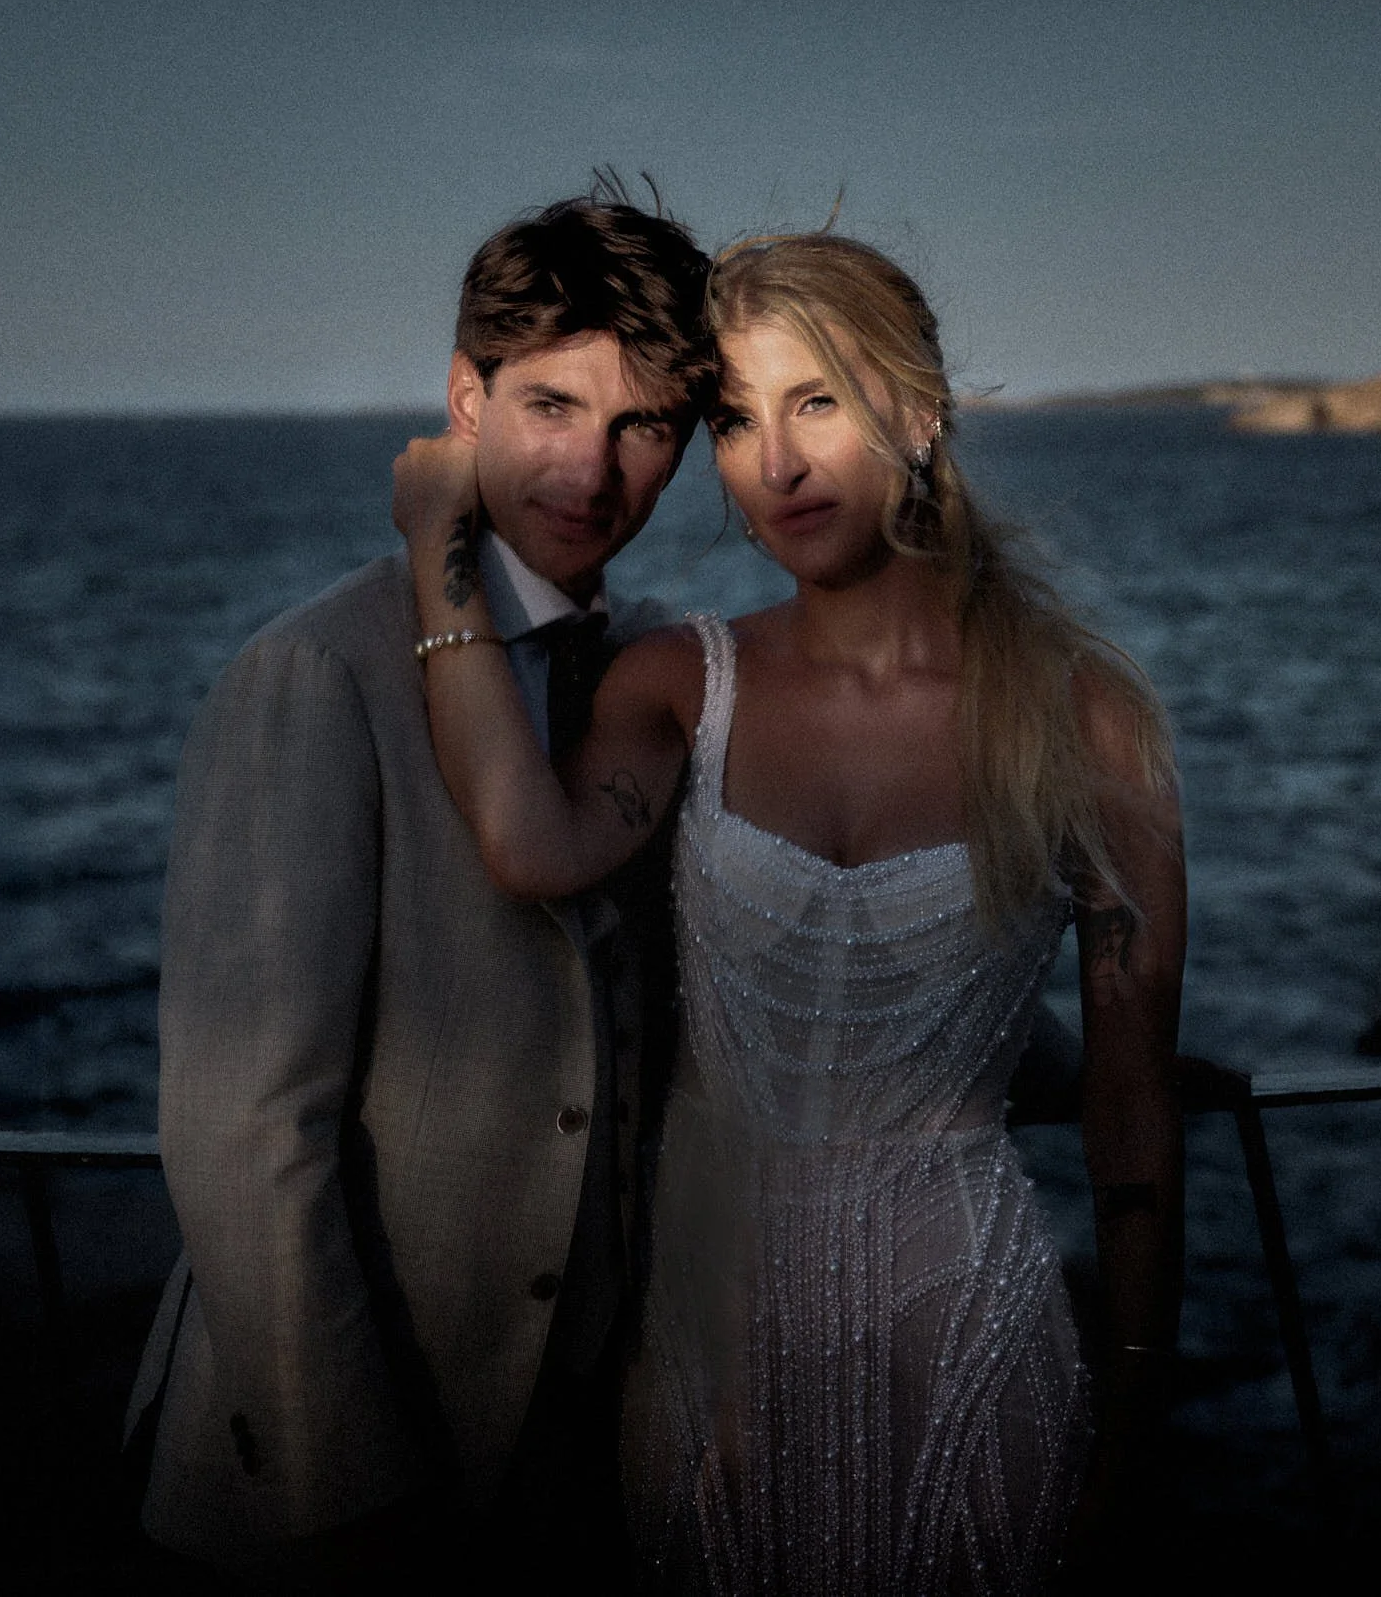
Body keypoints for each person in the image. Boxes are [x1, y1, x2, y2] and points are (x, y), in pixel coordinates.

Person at [393, 231, 1187, 1594]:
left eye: (816, 400)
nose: (777, 463)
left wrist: (1134, 1402)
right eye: (735, 420)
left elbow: (1128, 1093)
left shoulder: (1083, 719)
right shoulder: (679, 686)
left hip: (966, 1338)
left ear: (918, 411)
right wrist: (437, 548)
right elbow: (528, 841)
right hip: (713, 1356)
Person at [122, 185, 718, 1588]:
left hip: (571, 1490)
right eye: (555, 407)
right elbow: (248, 1127)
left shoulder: (649, 685)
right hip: (327, 1501)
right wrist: (349, 1505)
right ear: (465, 396)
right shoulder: (318, 675)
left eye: (646, 426)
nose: (595, 469)